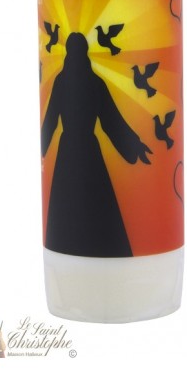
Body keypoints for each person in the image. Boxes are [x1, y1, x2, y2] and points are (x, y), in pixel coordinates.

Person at [41, 32, 152, 258]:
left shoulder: (64, 80)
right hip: (86, 151)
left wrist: (135, 144)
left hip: (69, 152)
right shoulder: (92, 82)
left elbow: (110, 119)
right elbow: (111, 120)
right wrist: (134, 145)